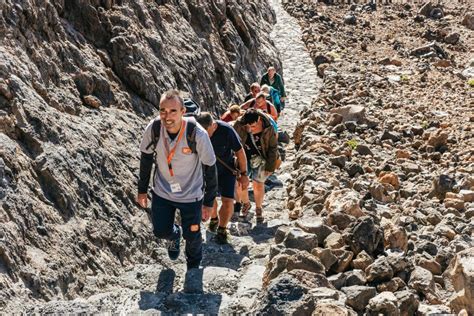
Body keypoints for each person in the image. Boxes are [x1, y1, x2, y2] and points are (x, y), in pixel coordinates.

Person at [137, 89, 218, 270]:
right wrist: (142, 190)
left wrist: (209, 202)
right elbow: (146, 158)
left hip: (191, 195)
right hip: (163, 191)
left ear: (183, 112)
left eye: (173, 111)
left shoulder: (197, 134)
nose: (167, 116)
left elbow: (210, 168)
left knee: (193, 235)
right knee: (160, 231)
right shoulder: (154, 129)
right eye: (163, 110)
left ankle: (193, 269)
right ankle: (174, 236)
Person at [196, 112, 249, 243]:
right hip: (206, 171)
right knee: (210, 197)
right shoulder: (195, 132)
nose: (206, 136)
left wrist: (244, 174)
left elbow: (240, 151)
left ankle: (222, 229)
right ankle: (214, 218)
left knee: (228, 201)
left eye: (207, 132)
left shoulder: (226, 130)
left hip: (226, 170)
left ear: (213, 125)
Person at [232, 109, 278, 224]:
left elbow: (273, 148)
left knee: (258, 184)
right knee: (241, 182)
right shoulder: (239, 124)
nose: (250, 128)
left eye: (253, 126)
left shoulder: (268, 126)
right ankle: (246, 203)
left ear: (258, 120)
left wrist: (270, 167)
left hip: (260, 156)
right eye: (248, 126)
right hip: (243, 156)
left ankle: (258, 208)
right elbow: (232, 141)